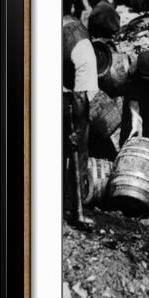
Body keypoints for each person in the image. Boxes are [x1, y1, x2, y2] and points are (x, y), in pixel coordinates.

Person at [63, 17, 99, 222]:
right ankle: (75, 209)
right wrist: (78, 130)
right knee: (80, 145)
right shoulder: (85, 51)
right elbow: (80, 96)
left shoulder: (65, 22)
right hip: (66, 96)